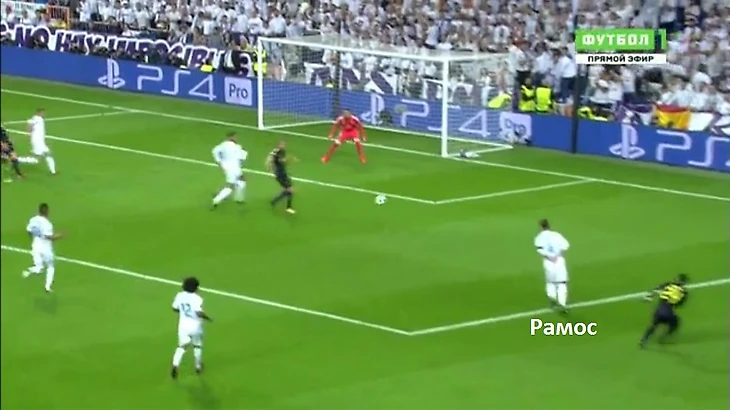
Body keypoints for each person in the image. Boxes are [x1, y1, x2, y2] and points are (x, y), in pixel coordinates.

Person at [171, 276, 212, 379]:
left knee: (181, 346)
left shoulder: (179, 295)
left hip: (183, 326)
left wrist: (183, 312)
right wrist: (207, 318)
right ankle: (198, 366)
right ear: (196, 287)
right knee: (197, 346)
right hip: (195, 326)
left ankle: (175, 364)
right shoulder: (197, 298)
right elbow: (198, 312)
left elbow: (174, 308)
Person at [639, 274, 689, 348]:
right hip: (668, 312)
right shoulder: (684, 292)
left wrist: (649, 297)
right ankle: (664, 337)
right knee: (675, 323)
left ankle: (643, 340)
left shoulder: (668, 284)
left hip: (659, 310)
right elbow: (679, 304)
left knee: (654, 325)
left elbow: (656, 289)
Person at [23, 203, 64, 292]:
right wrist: (60, 236)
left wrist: (35, 238)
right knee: (50, 266)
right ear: (47, 211)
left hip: (35, 246)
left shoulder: (33, 219)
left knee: (39, 267)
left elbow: (29, 231)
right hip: (46, 248)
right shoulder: (47, 224)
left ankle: (28, 271)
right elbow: (49, 237)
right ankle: (47, 287)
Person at [534, 219, 570, 312]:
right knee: (562, 283)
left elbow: (539, 249)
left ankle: (552, 298)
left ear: (541, 227)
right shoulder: (556, 235)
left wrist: (549, 256)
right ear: (549, 226)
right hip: (559, 260)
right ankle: (562, 303)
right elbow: (566, 245)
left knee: (550, 282)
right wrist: (557, 255)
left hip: (548, 262)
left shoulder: (539, 238)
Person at [211, 132, 248, 208]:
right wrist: (219, 161)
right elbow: (242, 157)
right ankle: (216, 200)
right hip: (232, 168)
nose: (236, 138)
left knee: (241, 181)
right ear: (230, 137)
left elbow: (215, 151)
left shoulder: (233, 146)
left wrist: (219, 161)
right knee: (231, 186)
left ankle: (239, 198)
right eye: (234, 137)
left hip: (233, 167)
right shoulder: (230, 145)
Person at [267, 140, 296, 214]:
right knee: (291, 190)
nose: (283, 146)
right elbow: (280, 161)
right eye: (282, 145)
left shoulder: (282, 152)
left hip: (283, 173)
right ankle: (286, 206)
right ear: (278, 145)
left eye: (284, 144)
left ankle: (276, 202)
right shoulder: (277, 153)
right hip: (280, 174)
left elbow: (282, 163)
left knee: (289, 190)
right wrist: (290, 160)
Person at [27, 108, 57, 175]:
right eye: (43, 113)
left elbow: (30, 123)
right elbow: (29, 123)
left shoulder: (39, 119)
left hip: (40, 142)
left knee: (48, 154)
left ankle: (53, 171)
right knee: (37, 160)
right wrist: (29, 132)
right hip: (37, 142)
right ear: (39, 113)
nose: (44, 114)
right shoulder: (37, 118)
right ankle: (16, 159)